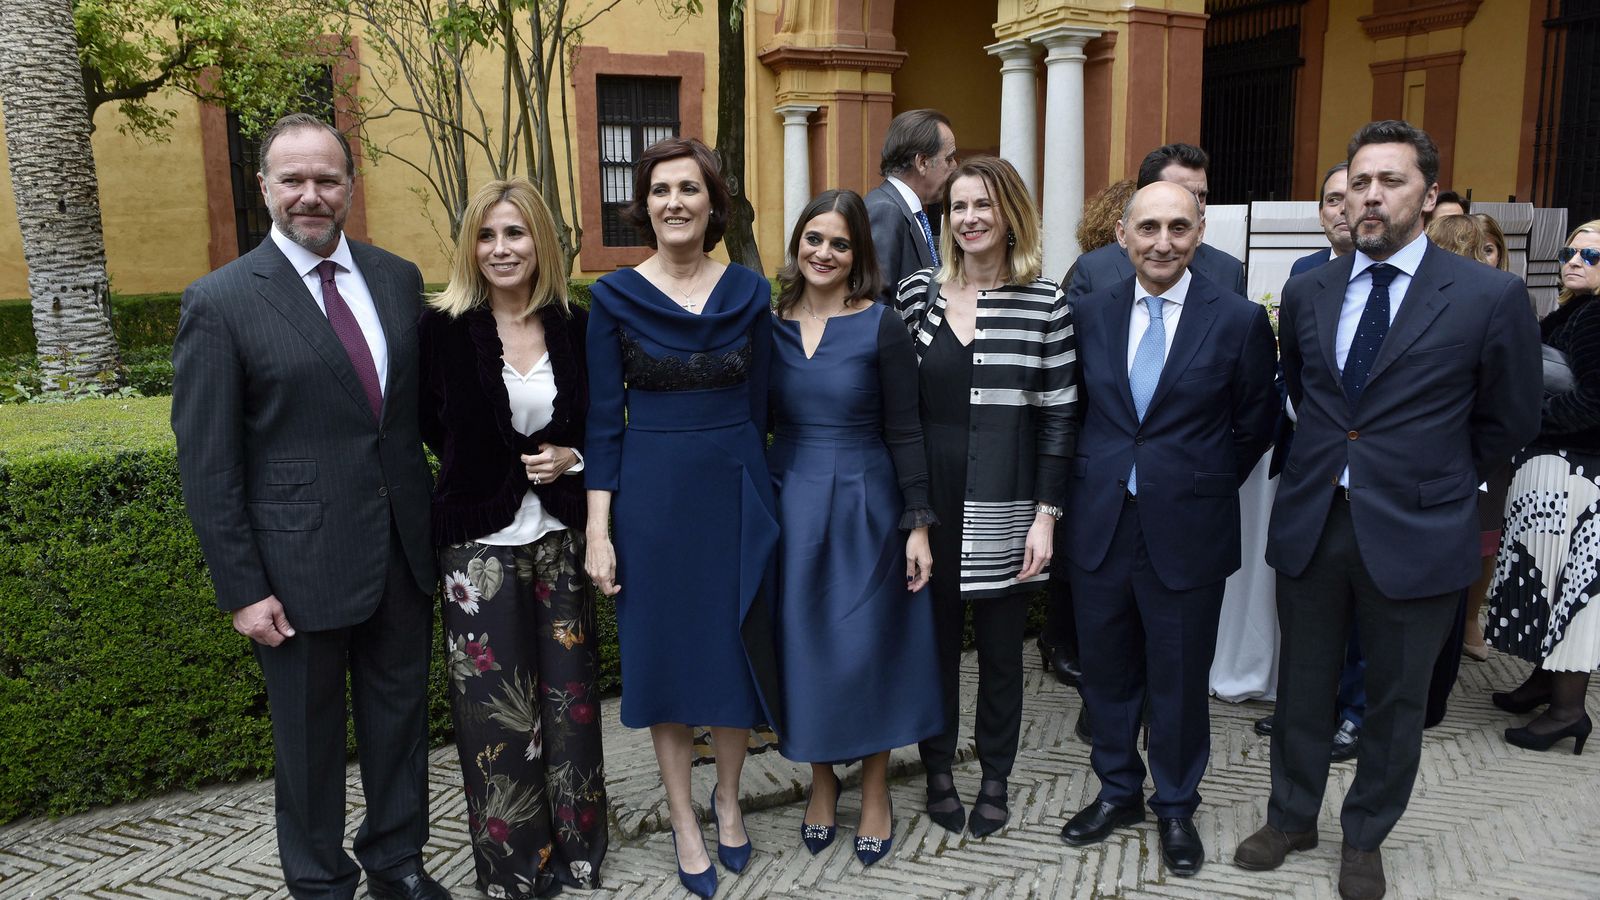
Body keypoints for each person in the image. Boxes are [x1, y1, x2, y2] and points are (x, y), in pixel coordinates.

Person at [1233, 120, 1541, 900]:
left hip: (1419, 526)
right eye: (1360, 182)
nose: (1370, 197)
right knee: (1302, 687)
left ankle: (1365, 834)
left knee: (1396, 699)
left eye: (1391, 182)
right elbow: (1309, 395)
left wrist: (1436, 477)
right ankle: (1291, 817)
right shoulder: (1310, 287)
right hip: (1315, 519)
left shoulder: (1488, 294)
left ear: (1429, 195)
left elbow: (1510, 417)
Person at [171, 113, 449, 900]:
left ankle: (397, 861)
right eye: (292, 179)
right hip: (295, 570)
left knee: (400, 724)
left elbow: (419, 414)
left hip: (401, 552)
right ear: (263, 186)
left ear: (350, 187)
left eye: (327, 179)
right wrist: (243, 589)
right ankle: (320, 881)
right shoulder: (221, 301)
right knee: (307, 740)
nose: (311, 195)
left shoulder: (396, 278)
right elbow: (208, 464)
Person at [1058, 182, 1277, 877]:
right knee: (1107, 672)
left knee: (1179, 678)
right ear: (1122, 234)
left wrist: (1193, 481)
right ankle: (1117, 790)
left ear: (1199, 232)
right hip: (1100, 522)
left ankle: (1176, 805)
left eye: (1178, 227)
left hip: (1188, 527)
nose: (1162, 242)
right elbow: (1073, 413)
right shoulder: (1088, 313)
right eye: (1148, 227)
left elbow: (1256, 423)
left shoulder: (1238, 319)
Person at [583, 137, 777, 900]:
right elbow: (604, 423)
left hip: (735, 495)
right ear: (644, 205)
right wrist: (599, 531)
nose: (674, 202)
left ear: (712, 203)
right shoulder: (613, 299)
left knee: (733, 653)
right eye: (660, 190)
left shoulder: (751, 292)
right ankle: (682, 818)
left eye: (689, 189)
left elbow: (762, 409)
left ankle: (727, 800)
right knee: (665, 662)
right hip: (653, 505)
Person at [418, 179, 605, 897]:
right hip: (478, 550)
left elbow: (603, 423)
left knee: (570, 703)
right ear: (471, 246)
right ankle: (514, 867)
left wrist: (571, 457)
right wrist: (485, 471)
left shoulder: (577, 324)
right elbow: (428, 425)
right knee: (496, 716)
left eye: (515, 233)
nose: (501, 249)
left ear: (541, 242)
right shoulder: (440, 328)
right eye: (487, 235)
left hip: (562, 540)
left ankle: (580, 850)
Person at [897, 156, 1078, 839]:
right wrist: (912, 513)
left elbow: (1060, 418)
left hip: (1009, 497)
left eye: (984, 205)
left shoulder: (1046, 303)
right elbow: (898, 413)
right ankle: (938, 772)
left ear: (1011, 216)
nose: (969, 219)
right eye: (958, 207)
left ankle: (995, 776)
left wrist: (1046, 517)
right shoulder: (916, 296)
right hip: (931, 500)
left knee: (1003, 653)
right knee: (935, 647)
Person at [768, 189, 942, 867]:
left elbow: (906, 429)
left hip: (867, 505)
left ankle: (874, 787)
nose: (824, 253)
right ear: (798, 243)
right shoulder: (769, 322)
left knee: (869, 648)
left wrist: (917, 523)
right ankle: (821, 781)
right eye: (814, 239)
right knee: (803, 647)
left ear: (858, 253)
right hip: (790, 502)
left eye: (840, 243)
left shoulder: (882, 325)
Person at [1244, 163, 1368, 752]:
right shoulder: (1304, 275)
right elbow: (1291, 367)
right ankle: (1304, 706)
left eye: (1351, 196)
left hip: (1377, 477)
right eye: (1331, 200)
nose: (1342, 209)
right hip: (1309, 462)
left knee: (1364, 600)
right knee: (1307, 594)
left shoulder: (1408, 286)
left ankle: (1356, 710)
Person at [1484, 219, 1600, 755]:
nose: (1574, 261)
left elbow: (1594, 401)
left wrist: (1528, 422)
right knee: (1550, 585)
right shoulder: (1575, 310)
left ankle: (1568, 711)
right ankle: (1544, 682)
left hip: (1580, 476)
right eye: (1570, 251)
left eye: (1591, 256)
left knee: (1573, 593)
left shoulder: (1596, 316)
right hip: (1559, 469)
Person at [1040, 178, 1137, 696]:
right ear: (1119, 226)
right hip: (1087, 434)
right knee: (1074, 551)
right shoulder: (1089, 270)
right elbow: (1068, 357)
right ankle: (1058, 640)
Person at [1065, 143, 1246, 304]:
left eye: (1202, 196)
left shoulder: (1228, 272)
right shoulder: (1094, 269)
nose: (1197, 206)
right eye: (1184, 193)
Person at [866, 109, 959, 306]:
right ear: (922, 162)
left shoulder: (908, 212)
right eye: (949, 159)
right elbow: (876, 303)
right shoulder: (885, 211)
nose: (955, 167)